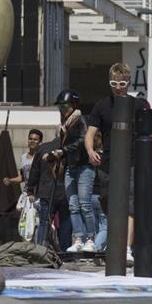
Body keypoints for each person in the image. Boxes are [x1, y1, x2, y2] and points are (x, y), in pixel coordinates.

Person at [85, 63, 151, 266]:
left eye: (122, 83)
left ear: (129, 82)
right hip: (108, 163)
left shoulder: (139, 105)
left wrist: (148, 159)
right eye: (114, 83)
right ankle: (114, 243)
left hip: (132, 162)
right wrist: (90, 151)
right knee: (110, 205)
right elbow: (90, 133)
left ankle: (127, 248)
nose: (118, 87)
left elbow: (149, 133)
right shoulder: (101, 105)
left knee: (130, 206)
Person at [57, 89, 97, 254]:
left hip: (83, 166)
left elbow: (83, 140)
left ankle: (91, 238)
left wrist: (64, 151)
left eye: (65, 105)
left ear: (73, 105)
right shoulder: (64, 123)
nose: (62, 109)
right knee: (73, 205)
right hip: (70, 166)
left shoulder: (81, 120)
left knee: (85, 204)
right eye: (60, 106)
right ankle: (78, 238)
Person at [26, 129, 70, 251]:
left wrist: (30, 190)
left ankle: (40, 248)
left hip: (45, 190)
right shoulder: (69, 149)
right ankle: (64, 250)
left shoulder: (42, 148)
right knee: (65, 221)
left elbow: (34, 171)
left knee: (44, 221)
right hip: (64, 191)